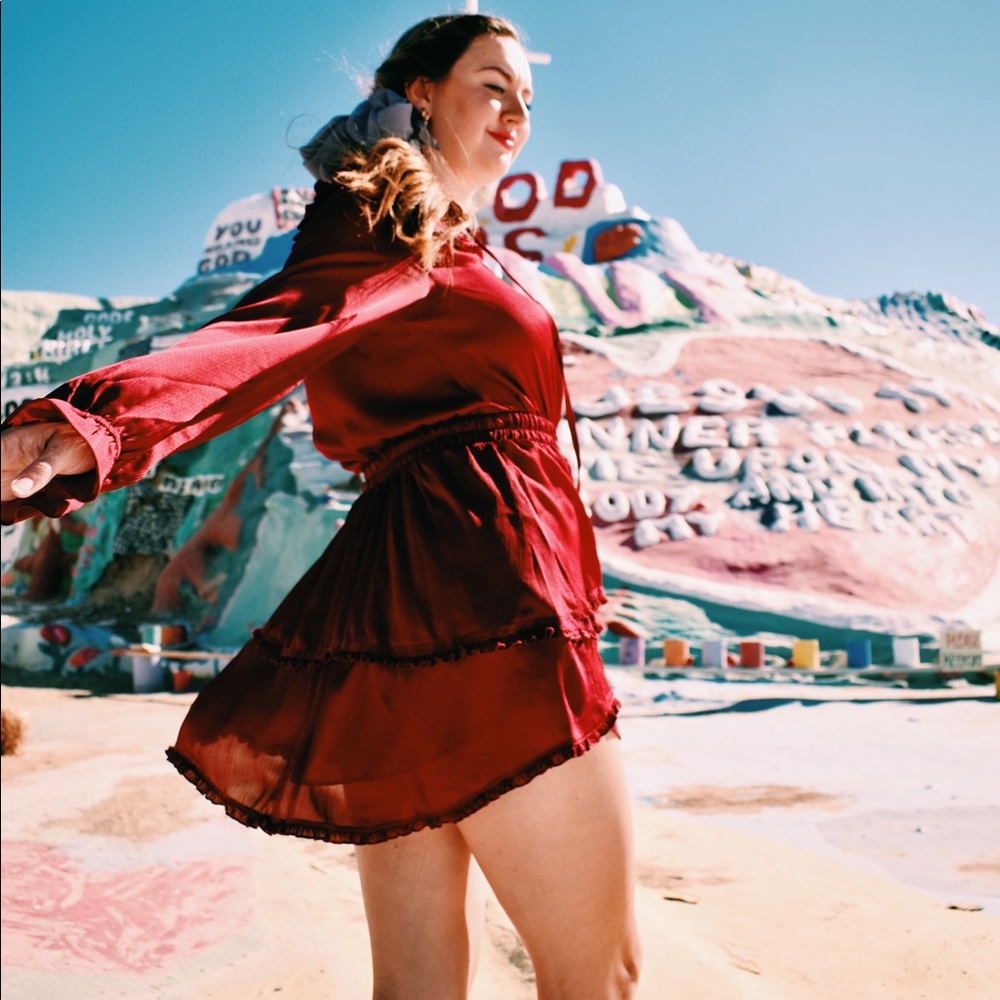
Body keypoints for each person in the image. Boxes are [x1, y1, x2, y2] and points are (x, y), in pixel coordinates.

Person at [1, 14, 641, 999]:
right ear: (420, 91)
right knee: (596, 976)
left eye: (526, 97)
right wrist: (95, 423)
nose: (514, 114)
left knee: (419, 982)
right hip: (489, 592)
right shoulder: (391, 213)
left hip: (417, 599)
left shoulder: (465, 245)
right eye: (490, 84)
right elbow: (281, 326)